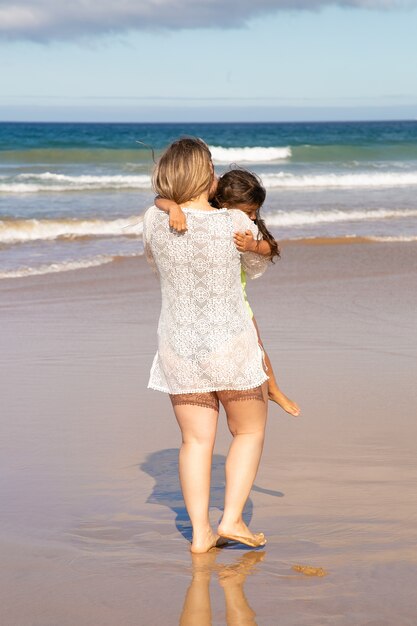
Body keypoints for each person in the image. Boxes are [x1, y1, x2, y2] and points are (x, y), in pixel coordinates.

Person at [143, 138, 270, 553]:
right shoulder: (236, 223)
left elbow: (152, 259)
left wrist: (172, 208)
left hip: (178, 349)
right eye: (212, 166)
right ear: (206, 175)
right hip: (230, 344)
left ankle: (200, 535)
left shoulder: (153, 219)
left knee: (195, 442)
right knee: (249, 430)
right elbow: (258, 264)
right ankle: (231, 519)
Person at [156, 168, 300, 417]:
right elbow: (158, 199)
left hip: (237, 302)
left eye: (256, 212)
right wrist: (173, 208)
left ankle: (273, 388)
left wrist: (254, 245)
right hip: (203, 304)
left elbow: (272, 247)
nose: (254, 218)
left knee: (256, 346)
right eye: (249, 211)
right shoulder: (206, 214)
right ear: (224, 203)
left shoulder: (241, 225)